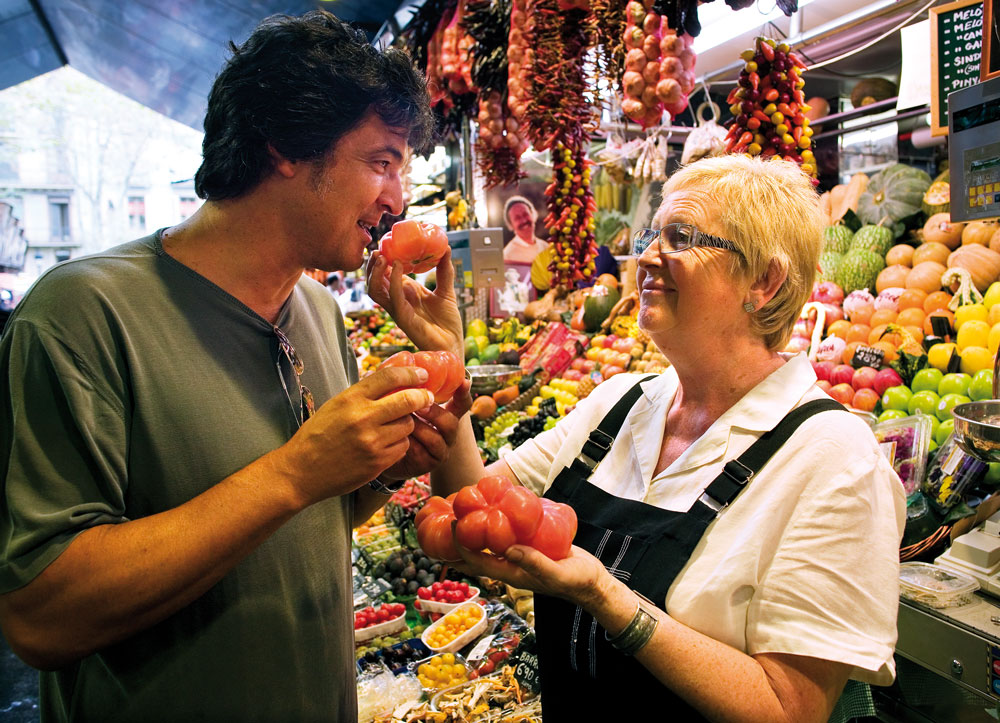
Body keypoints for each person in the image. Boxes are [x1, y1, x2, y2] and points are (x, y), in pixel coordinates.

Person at [0, 11, 468, 722]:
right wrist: (297, 469)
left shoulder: (316, 309)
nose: (397, 200)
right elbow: (41, 616)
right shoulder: (80, 315)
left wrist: (385, 465)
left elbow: (311, 519)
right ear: (285, 144)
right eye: (381, 161)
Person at [368, 155, 905, 722]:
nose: (646, 255)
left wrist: (604, 595)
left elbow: (788, 708)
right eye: (653, 233)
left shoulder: (835, 460)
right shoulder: (618, 405)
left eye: (681, 237)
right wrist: (451, 363)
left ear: (764, 282)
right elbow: (472, 507)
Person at [501, 195, 548, 265]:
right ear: (511, 225)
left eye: (525, 214)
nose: (523, 220)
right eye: (517, 218)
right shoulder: (507, 256)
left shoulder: (546, 247)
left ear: (533, 214)